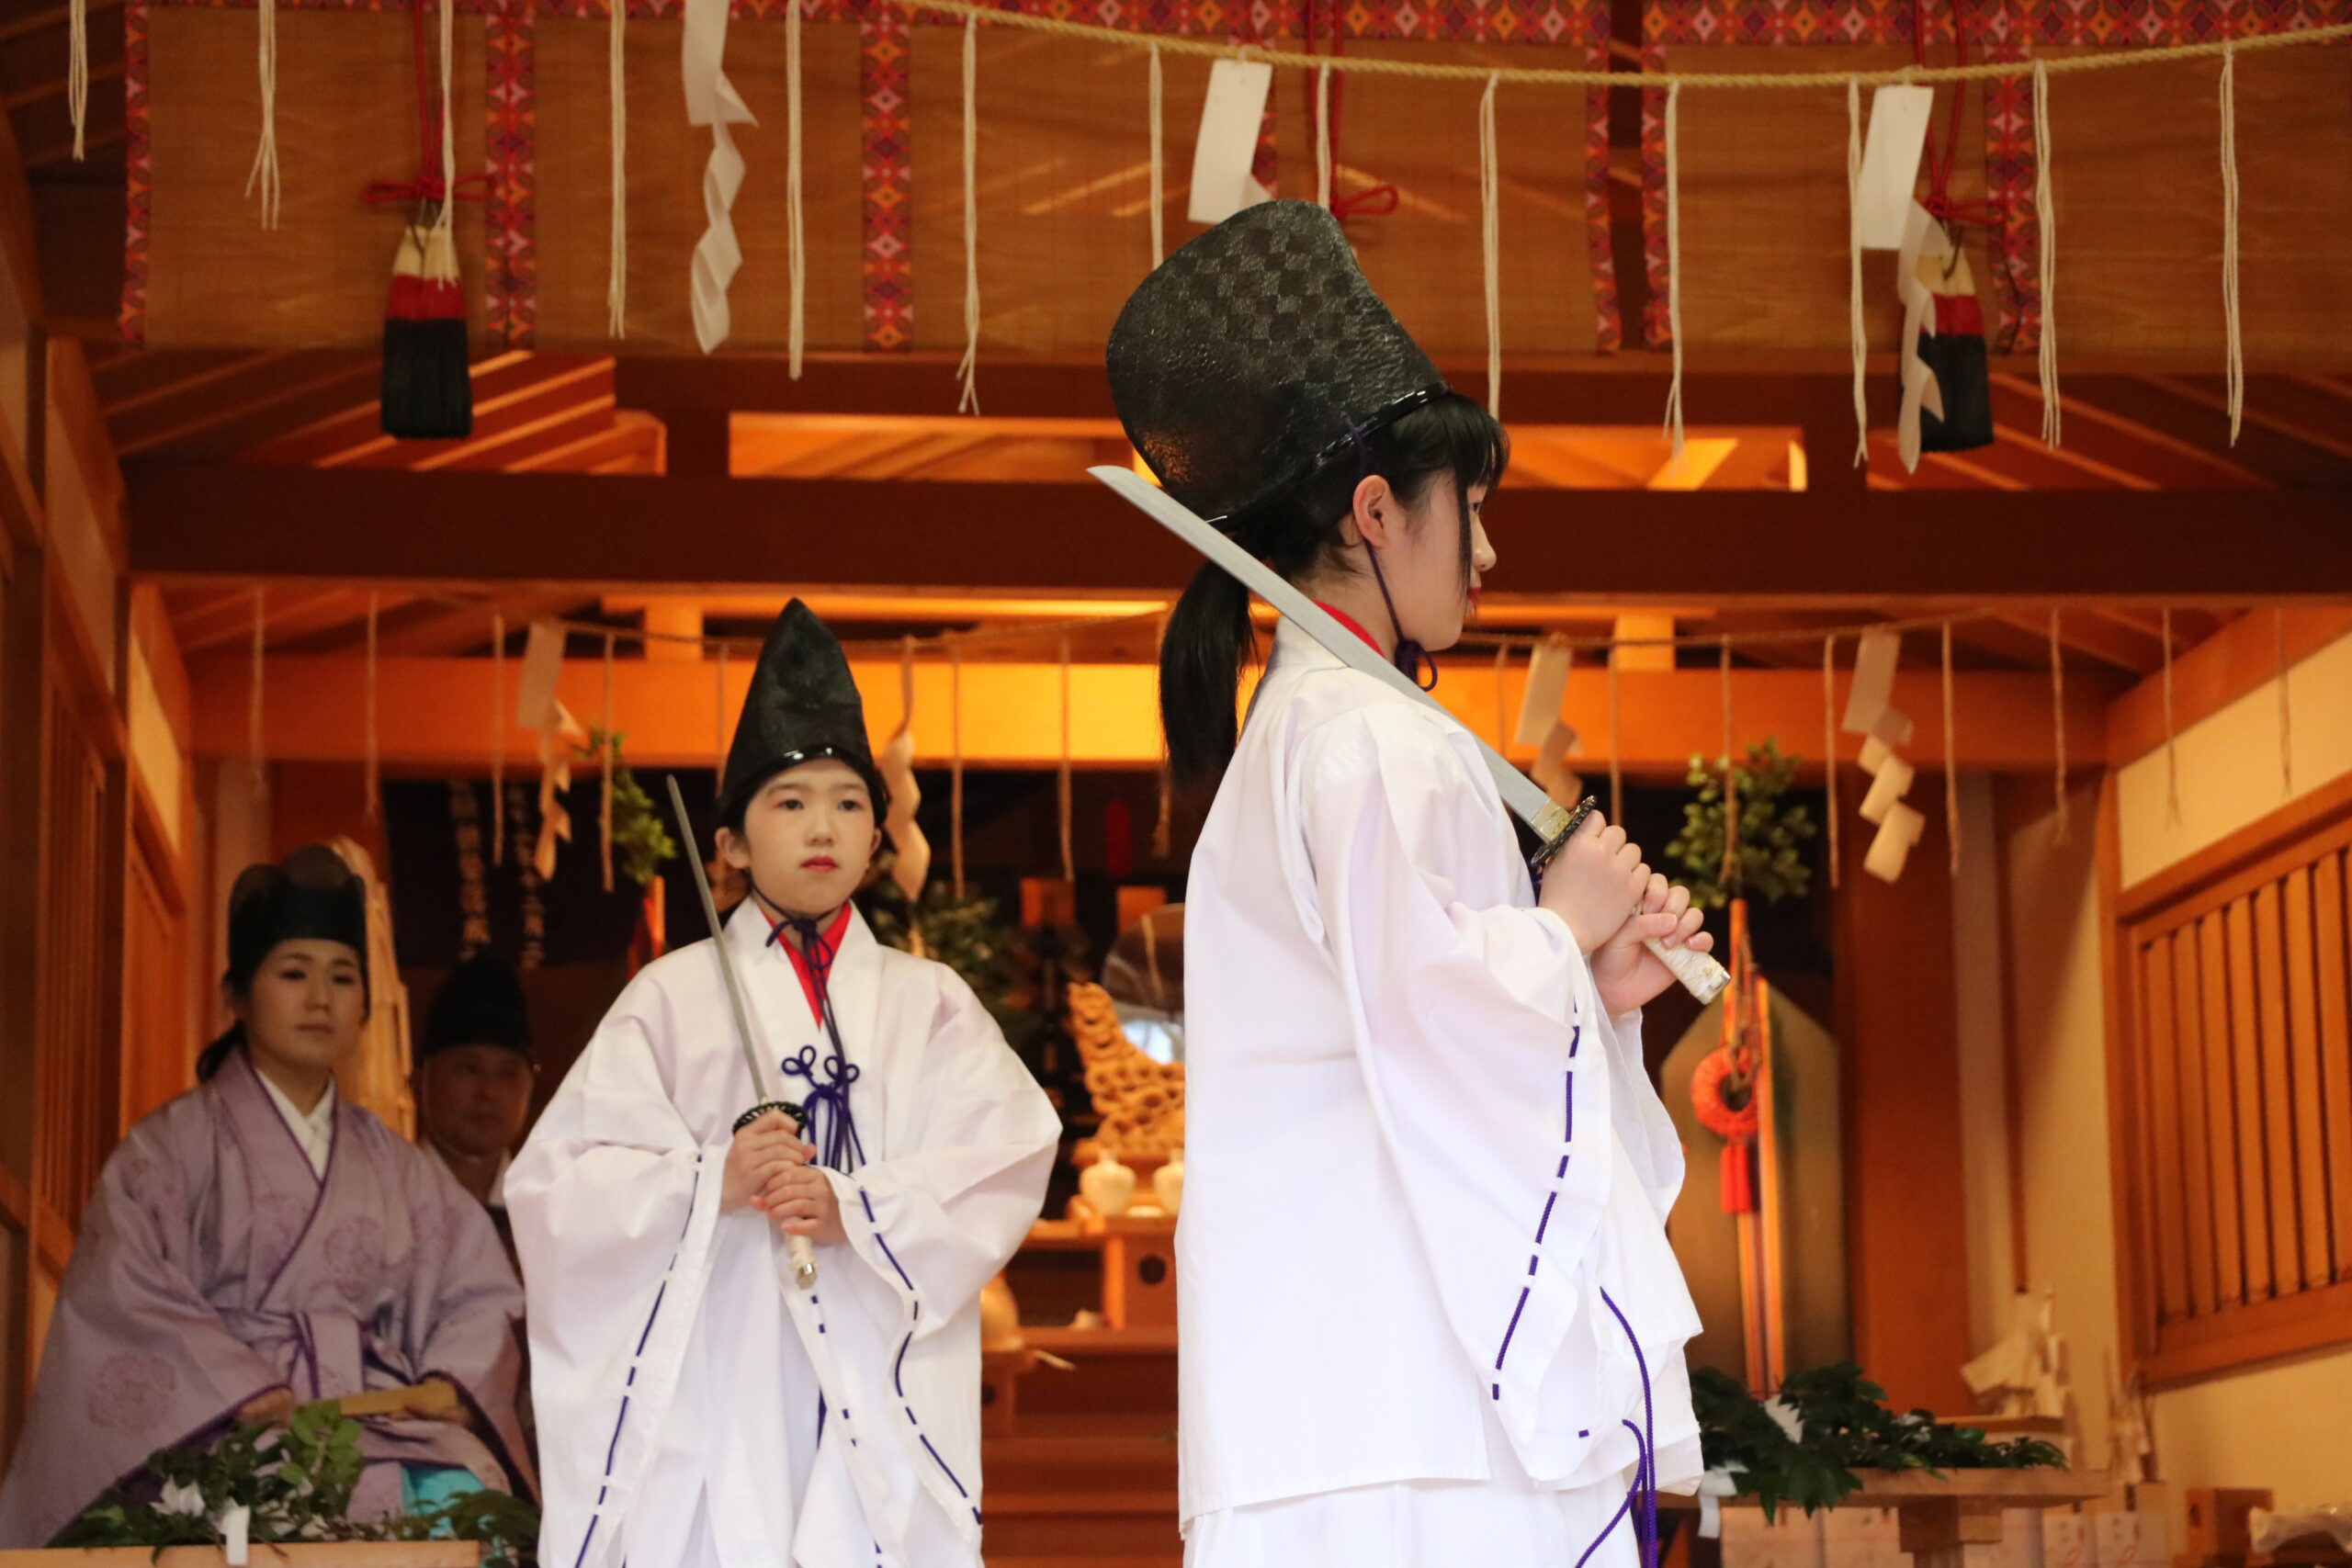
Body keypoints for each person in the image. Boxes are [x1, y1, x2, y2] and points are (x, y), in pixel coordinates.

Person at [1105, 200, 1715, 1568]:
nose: (1487, 554)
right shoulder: (1365, 735)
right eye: (1471, 512)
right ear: (1378, 512)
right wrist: (1560, 930)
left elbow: (1409, 1013)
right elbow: (1428, 1013)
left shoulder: (1320, 727)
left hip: (1342, 1398)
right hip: (1407, 1396)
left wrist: (1590, 981)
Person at [509, 602, 1060, 1568]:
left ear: (877, 836)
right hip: (728, 1362)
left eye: (848, 804)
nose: (822, 827)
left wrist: (861, 1209)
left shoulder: (930, 1001)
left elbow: (1008, 1151)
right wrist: (707, 1180)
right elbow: (557, 1186)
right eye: (790, 802)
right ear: (729, 843)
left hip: (880, 1356)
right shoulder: (669, 998)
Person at [0, 846, 533, 1547]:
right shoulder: (171, 1148)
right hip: (222, 1417)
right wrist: (236, 1383)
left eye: (342, 977)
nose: (321, 998)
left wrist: (451, 1381)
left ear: (363, 1005)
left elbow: (478, 1293)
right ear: (238, 995)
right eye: (294, 973)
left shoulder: (397, 1168)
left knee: (473, 1496)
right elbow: (124, 1286)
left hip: (375, 1414)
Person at [414, 950, 538, 1261]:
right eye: (468, 1069)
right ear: (418, 1081)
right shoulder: (385, 1199)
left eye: (508, 1073)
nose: (489, 1092)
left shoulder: (551, 1209)